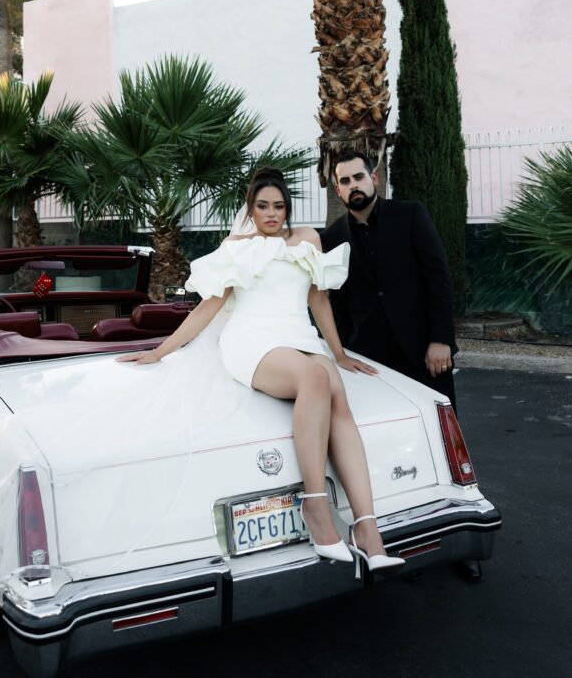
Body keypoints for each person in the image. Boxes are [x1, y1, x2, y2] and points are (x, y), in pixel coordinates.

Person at [121, 167, 404, 576]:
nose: (272, 214)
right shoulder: (236, 247)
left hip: (298, 334)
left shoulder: (307, 239)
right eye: (262, 206)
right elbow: (209, 307)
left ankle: (368, 530)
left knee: (336, 390)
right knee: (314, 379)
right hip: (251, 339)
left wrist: (339, 354)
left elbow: (319, 302)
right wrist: (159, 352)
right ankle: (315, 506)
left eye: (279, 206)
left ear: (287, 208)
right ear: (250, 209)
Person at [320, 149, 481, 582]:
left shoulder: (411, 215)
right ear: (337, 188)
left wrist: (441, 339)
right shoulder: (334, 235)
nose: (353, 185)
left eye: (359, 177)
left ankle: (464, 545)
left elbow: (438, 277)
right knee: (382, 447)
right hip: (369, 360)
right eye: (344, 181)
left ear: (374, 178)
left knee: (447, 446)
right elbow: (334, 301)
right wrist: (340, 354)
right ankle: (394, 535)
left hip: (423, 352)